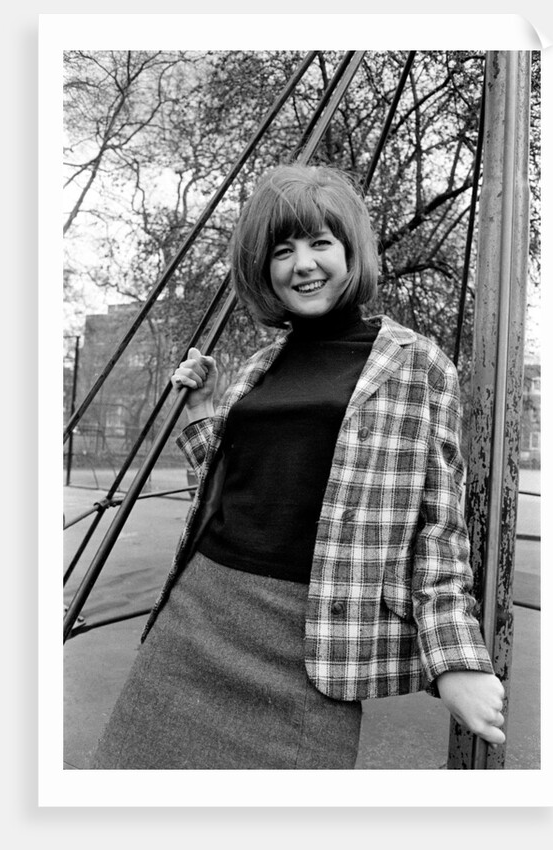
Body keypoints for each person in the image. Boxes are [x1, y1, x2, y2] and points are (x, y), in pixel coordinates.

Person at [91, 162, 505, 770]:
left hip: (316, 642)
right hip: (199, 617)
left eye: (320, 243)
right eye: (282, 251)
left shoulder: (416, 363)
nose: (302, 264)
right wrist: (203, 413)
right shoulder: (259, 366)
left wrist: (456, 659)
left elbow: (439, 528)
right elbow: (229, 494)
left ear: (350, 251)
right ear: (264, 269)